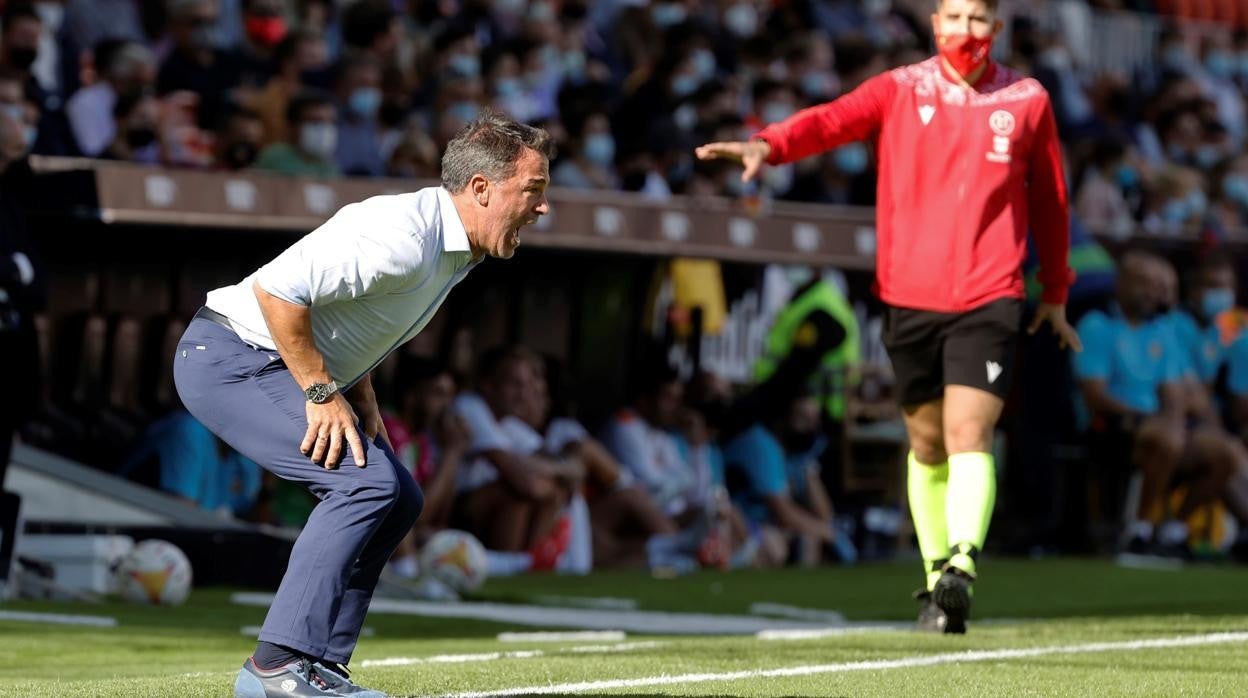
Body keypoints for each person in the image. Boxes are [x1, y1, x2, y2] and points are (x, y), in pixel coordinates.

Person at [696, 0, 1080, 634]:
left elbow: (1053, 200)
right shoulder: (900, 89)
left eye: (979, 19)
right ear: (935, 25)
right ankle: (937, 587)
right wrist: (769, 143)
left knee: (968, 433)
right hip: (910, 297)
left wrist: (1056, 292)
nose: (965, 31)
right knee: (926, 444)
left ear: (997, 28)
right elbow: (831, 121)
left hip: (991, 294)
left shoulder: (1028, 98)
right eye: (954, 18)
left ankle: (963, 563)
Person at [173, 109, 553, 698]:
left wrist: (361, 388)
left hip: (270, 361)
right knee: (364, 485)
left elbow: (354, 318)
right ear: (481, 189)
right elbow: (279, 294)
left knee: (399, 496)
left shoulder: (456, 245)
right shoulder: (402, 236)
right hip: (227, 357)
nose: (542, 206)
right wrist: (323, 391)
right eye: (533, 190)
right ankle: (275, 667)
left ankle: (319, 665)